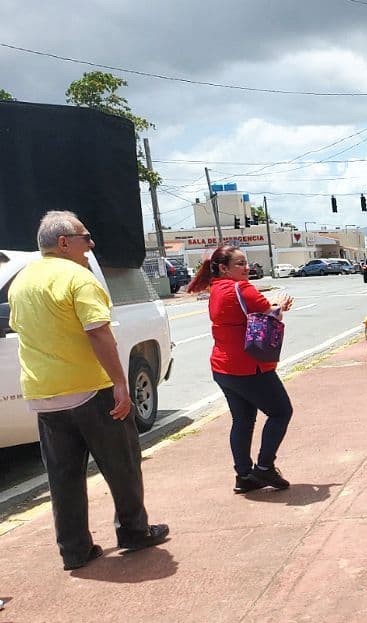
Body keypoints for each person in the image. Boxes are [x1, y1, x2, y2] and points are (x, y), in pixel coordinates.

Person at [8, 211, 168, 571]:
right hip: (90, 390)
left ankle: (74, 550)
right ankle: (134, 531)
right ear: (64, 243)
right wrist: (120, 383)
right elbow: (98, 331)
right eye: (86, 237)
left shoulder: (22, 281)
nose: (91, 244)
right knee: (122, 465)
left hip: (44, 394)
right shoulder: (77, 277)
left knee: (63, 477)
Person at [187, 245, 297, 494]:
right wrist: (279, 304)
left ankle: (244, 474)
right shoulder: (242, 288)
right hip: (249, 367)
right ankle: (265, 467)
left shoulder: (216, 289)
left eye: (245, 262)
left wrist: (274, 308)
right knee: (281, 412)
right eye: (239, 264)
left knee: (243, 420)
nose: (246, 267)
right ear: (224, 268)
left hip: (223, 368)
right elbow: (272, 313)